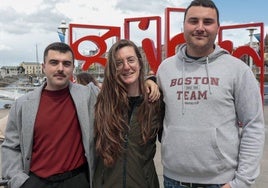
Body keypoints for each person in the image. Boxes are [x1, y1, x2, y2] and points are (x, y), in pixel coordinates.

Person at [156, 0, 265, 188]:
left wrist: (241, 182)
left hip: (221, 182)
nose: (200, 28)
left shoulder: (237, 70)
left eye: (207, 22)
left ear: (217, 27)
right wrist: (149, 79)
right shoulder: (165, 69)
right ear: (183, 26)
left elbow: (253, 125)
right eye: (193, 21)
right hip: (173, 180)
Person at [1, 42, 97, 188]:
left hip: (76, 180)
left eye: (66, 64)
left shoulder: (88, 95)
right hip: (36, 181)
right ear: (43, 67)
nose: (60, 68)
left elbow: (117, 91)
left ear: (72, 68)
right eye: (54, 62)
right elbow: (11, 147)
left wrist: (146, 81)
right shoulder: (22, 104)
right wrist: (19, 181)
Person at [93, 39, 164, 188]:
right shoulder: (102, 102)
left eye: (130, 60)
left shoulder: (155, 102)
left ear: (139, 62)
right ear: (113, 68)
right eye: (118, 63)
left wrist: (152, 80)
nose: (126, 67)